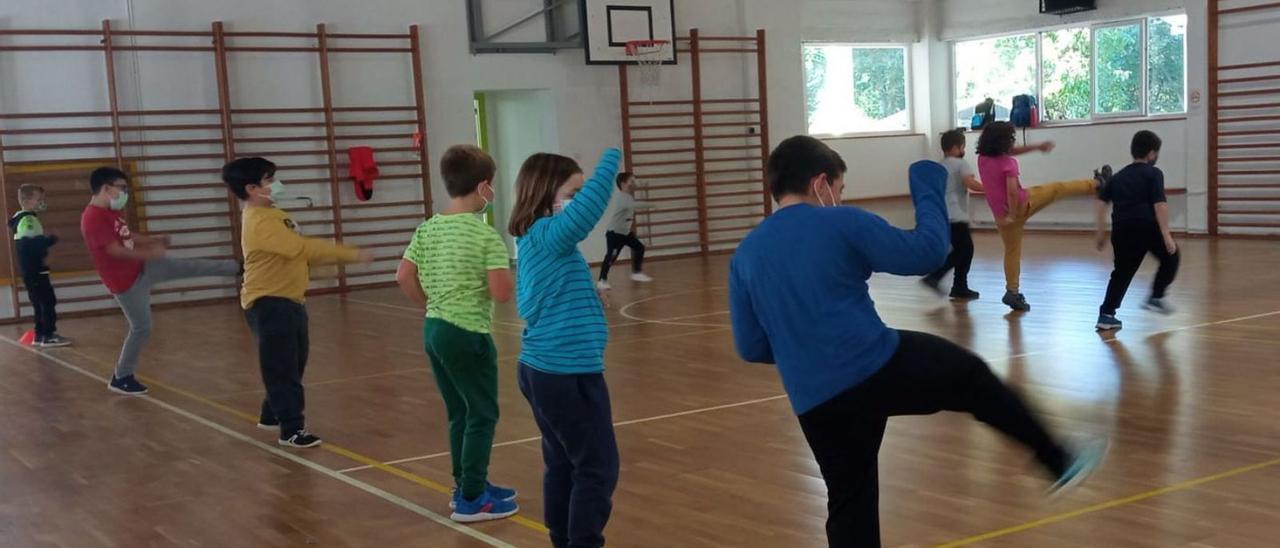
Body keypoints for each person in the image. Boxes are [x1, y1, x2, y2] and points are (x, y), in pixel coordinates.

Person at [728, 135, 1105, 547]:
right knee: (971, 377)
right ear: (821, 184)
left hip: (813, 400)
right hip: (874, 365)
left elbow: (751, 347)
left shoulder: (746, 254)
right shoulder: (840, 221)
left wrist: (804, 351)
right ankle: (1057, 459)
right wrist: (928, 184)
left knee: (850, 500)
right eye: (838, 189)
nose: (838, 197)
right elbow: (926, 253)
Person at [395, 145, 519, 522]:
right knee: (482, 414)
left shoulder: (428, 228)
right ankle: (471, 499)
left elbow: (403, 276)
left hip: (435, 329)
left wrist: (432, 306)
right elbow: (501, 293)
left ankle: (467, 483)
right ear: (483, 187)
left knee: (459, 413)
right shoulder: (485, 238)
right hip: (468, 333)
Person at [508, 149, 621, 548]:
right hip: (562, 373)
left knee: (563, 464)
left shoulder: (541, 243)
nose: (579, 197)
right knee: (597, 467)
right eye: (572, 191)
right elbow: (586, 212)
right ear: (545, 195)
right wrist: (611, 157)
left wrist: (588, 296)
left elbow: (540, 300)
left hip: (555, 370)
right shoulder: (545, 234)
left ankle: (564, 540)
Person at [222, 157, 373, 448]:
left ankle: (271, 414)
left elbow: (296, 254)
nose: (276, 185)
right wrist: (349, 254)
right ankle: (292, 429)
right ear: (252, 188)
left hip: (289, 299)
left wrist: (314, 269)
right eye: (269, 180)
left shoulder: (275, 215)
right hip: (268, 303)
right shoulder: (258, 221)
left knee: (294, 361)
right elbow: (300, 248)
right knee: (283, 367)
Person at [81, 167, 241, 395]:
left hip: (143, 268)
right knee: (141, 328)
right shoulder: (93, 217)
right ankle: (121, 376)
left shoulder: (110, 212)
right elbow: (114, 250)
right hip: (126, 282)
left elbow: (125, 235)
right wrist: (149, 253)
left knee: (190, 266)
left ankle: (239, 268)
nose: (125, 193)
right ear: (106, 188)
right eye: (122, 188)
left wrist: (151, 240)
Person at [976, 122, 1111, 311]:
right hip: (1021, 206)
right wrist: (1014, 214)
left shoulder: (983, 158)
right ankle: (1098, 183)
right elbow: (1012, 192)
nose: (1012, 144)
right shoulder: (1008, 164)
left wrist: (1036, 147)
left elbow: (1010, 152)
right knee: (1057, 189)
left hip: (1001, 217)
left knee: (1012, 250)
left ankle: (1012, 292)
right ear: (1004, 142)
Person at [1094, 130, 1180, 330]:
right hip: (1146, 228)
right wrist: (1166, 234)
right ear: (1151, 154)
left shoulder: (1118, 177)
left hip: (1122, 230)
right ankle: (1156, 296)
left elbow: (1100, 202)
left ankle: (1106, 314)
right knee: (1172, 257)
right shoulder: (1154, 174)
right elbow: (1160, 205)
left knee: (1122, 273)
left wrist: (1101, 232)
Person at [921, 128, 985, 300]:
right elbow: (969, 182)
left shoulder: (939, 166)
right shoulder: (960, 163)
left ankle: (959, 286)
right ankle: (937, 277)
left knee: (963, 249)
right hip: (957, 214)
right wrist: (991, 189)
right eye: (963, 146)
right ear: (958, 147)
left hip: (943, 215)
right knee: (963, 250)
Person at [9, 184, 71, 347]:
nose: (42, 202)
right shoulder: (28, 220)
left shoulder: (24, 218)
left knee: (39, 302)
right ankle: (48, 335)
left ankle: (40, 333)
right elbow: (31, 244)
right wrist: (51, 239)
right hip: (35, 269)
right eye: (39, 199)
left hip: (31, 269)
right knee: (47, 301)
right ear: (28, 201)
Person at [597, 171, 655, 290]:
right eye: (632, 181)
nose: (634, 184)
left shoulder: (628, 197)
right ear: (623, 184)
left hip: (625, 233)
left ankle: (637, 273)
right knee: (611, 256)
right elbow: (632, 205)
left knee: (639, 247)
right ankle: (602, 280)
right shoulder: (623, 198)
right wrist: (651, 204)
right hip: (615, 234)